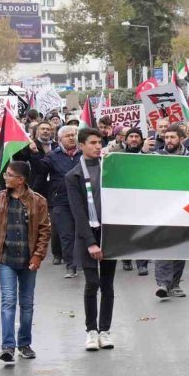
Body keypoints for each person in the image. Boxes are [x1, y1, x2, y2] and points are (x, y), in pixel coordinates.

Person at [0, 161, 50, 364]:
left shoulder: (38, 201)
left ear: (21, 180)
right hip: (6, 259)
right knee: (8, 300)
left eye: (9, 174)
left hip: (29, 260)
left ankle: (24, 343)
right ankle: (7, 346)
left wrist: (38, 256)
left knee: (27, 303)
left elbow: (44, 231)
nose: (5, 177)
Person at [66, 128, 119, 351]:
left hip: (110, 233)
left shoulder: (112, 169)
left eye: (100, 142)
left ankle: (105, 330)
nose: (98, 146)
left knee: (107, 284)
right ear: (81, 145)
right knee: (92, 283)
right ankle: (91, 331)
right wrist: (90, 242)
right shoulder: (73, 176)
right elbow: (77, 213)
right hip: (88, 234)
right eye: (93, 142)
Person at [31, 125, 82, 278]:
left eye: (73, 135)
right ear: (60, 140)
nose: (72, 137)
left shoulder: (84, 154)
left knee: (82, 233)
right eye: (68, 136)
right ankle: (71, 266)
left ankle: (82, 262)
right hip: (60, 201)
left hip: (81, 200)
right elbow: (40, 170)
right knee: (66, 234)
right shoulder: (53, 156)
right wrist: (34, 155)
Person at [154, 124, 189, 299]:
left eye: (172, 137)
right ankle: (162, 283)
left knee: (180, 248)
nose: (168, 140)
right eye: (166, 137)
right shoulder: (155, 156)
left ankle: (174, 284)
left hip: (184, 210)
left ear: (181, 139)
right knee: (163, 246)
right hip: (161, 209)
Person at [118, 127, 153, 276]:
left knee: (142, 231)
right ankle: (126, 258)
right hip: (124, 199)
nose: (133, 139)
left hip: (143, 198)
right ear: (125, 140)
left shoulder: (151, 155)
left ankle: (142, 263)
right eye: (130, 136)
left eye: (136, 136)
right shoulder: (118, 156)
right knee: (126, 231)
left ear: (142, 139)